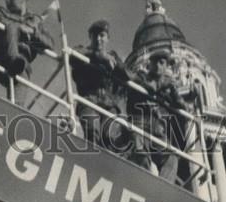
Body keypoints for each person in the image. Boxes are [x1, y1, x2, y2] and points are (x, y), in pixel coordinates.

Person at [0, 0, 54, 107]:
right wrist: (20, 26)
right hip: (1, 57)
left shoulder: (34, 22)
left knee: (16, 106)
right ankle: (13, 59)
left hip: (22, 64)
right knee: (12, 26)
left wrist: (34, 32)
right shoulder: (1, 12)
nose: (7, 1)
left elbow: (50, 43)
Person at [128, 48, 189, 183]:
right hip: (140, 122)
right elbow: (146, 87)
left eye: (162, 63)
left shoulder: (169, 84)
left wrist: (173, 91)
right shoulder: (141, 75)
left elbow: (181, 105)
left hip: (157, 127)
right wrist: (162, 84)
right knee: (141, 155)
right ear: (149, 64)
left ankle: (163, 188)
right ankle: (144, 185)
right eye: (155, 62)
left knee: (171, 158)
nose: (158, 66)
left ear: (166, 66)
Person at [71, 20, 132, 154]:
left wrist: (114, 64)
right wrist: (97, 56)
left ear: (108, 38)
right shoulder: (82, 51)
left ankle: (105, 167)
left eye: (102, 35)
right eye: (95, 36)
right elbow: (72, 56)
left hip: (109, 105)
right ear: (90, 38)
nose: (99, 39)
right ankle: (92, 163)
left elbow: (128, 75)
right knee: (93, 132)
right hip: (89, 101)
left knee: (111, 137)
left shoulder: (113, 57)